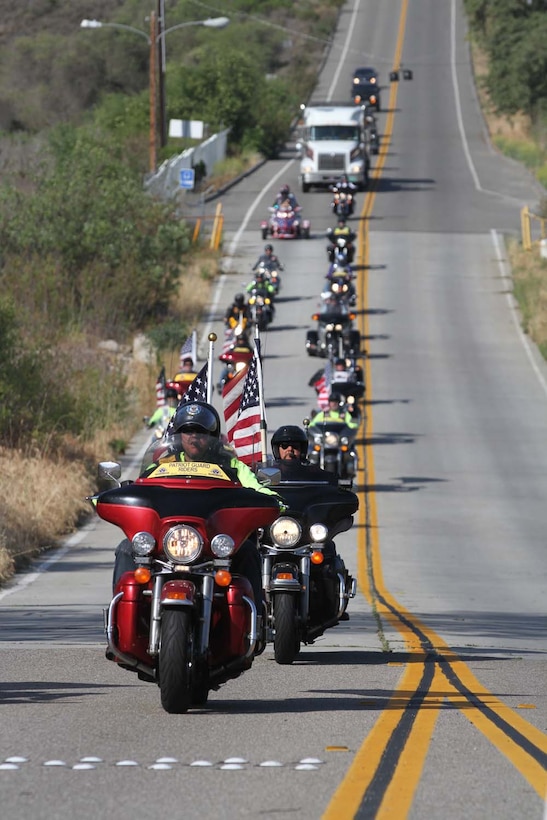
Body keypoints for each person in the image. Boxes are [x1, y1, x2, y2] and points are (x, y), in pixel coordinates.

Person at [114, 402, 283, 613]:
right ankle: (120, 628)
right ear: (178, 434)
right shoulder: (162, 464)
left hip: (214, 543)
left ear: (212, 436)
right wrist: (113, 496)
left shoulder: (231, 465)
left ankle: (255, 621)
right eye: (187, 431)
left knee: (248, 550)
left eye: (201, 432)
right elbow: (141, 488)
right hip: (167, 541)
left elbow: (257, 487)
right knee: (126, 548)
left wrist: (273, 501)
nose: (194, 436)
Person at [270, 424, 355, 619]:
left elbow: (332, 488)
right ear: (277, 449)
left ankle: (329, 606)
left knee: (326, 554)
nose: (290, 450)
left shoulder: (314, 474)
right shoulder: (265, 475)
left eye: (295, 446)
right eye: (284, 445)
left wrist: (338, 487)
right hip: (275, 532)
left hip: (305, 532)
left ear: (303, 449)